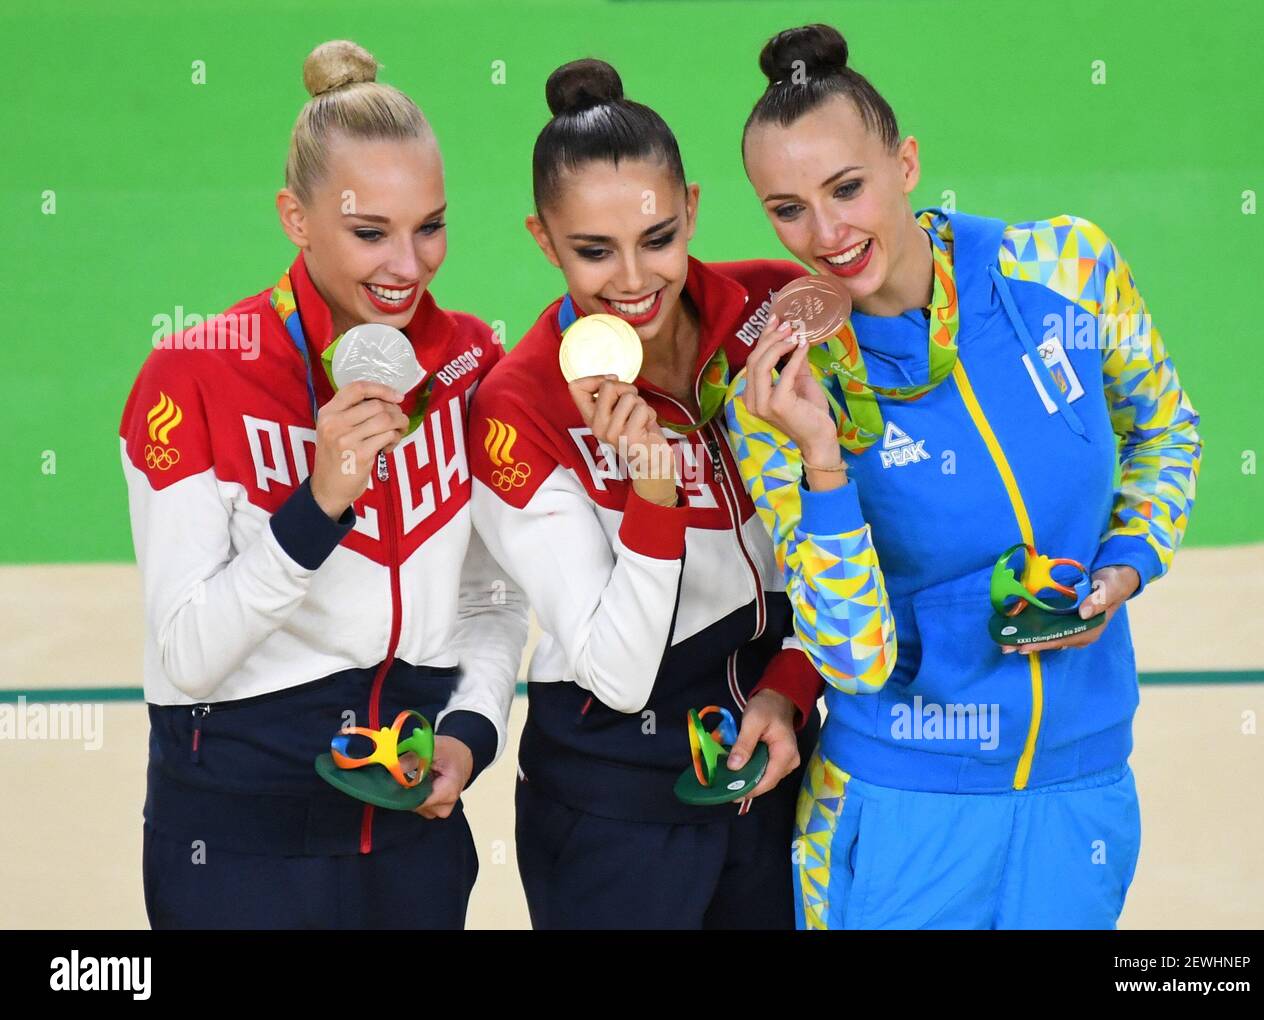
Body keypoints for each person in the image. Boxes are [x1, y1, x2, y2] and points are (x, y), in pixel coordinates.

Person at [724, 24, 1203, 929]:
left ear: (906, 163)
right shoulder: (779, 390)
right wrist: (821, 462)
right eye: (787, 209)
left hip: (1081, 786)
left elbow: (1167, 431)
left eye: (847, 187)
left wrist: (1123, 568)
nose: (826, 233)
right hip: (901, 804)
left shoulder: (1067, 269)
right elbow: (853, 660)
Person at [119, 39, 527, 929]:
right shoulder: (194, 374)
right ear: (296, 218)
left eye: (431, 225)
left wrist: (470, 732)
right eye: (370, 232)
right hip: (237, 856)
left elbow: (493, 596)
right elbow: (185, 655)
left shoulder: (466, 363)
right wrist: (318, 506)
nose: (409, 266)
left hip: (414, 851)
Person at [466, 58, 850, 929]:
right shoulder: (517, 406)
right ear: (542, 239)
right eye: (592, 252)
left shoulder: (773, 308)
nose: (634, 280)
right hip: (616, 810)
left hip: (777, 759)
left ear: (694, 212)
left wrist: (791, 682)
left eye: (659, 238)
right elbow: (617, 674)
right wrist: (654, 494)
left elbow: (854, 531)